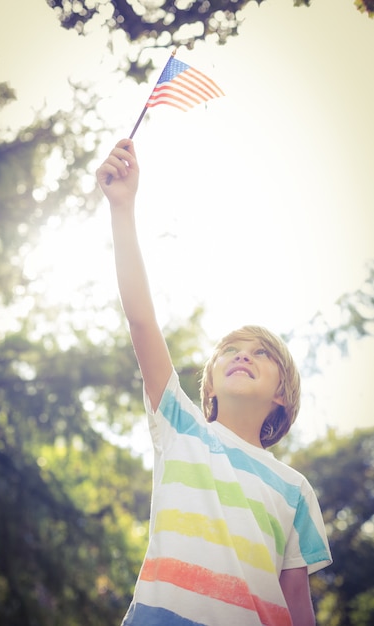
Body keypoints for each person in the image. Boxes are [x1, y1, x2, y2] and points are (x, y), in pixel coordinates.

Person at [96, 138, 332, 626]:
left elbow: (297, 605)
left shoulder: (294, 490)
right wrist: (123, 208)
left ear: (282, 396)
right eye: (230, 350)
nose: (243, 354)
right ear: (207, 389)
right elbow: (141, 321)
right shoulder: (181, 425)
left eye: (261, 355)